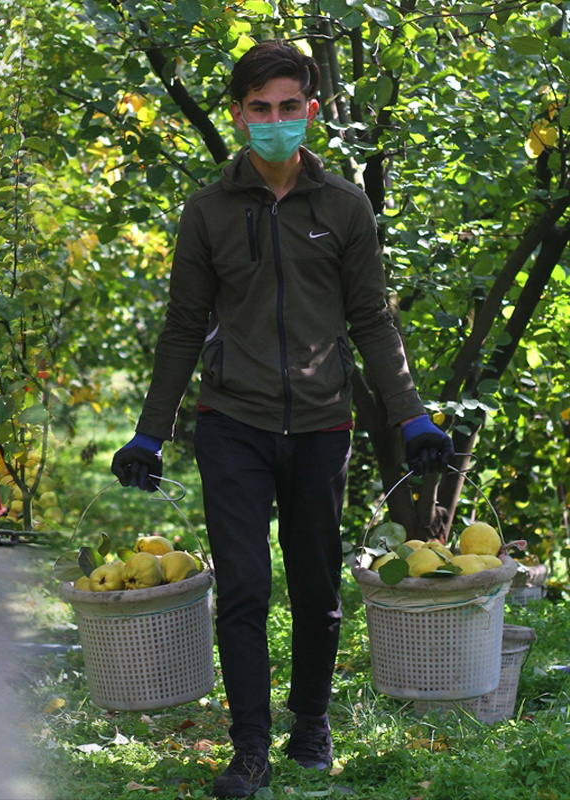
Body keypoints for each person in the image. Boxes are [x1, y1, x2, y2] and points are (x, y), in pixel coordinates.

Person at [110, 40, 452, 798]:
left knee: (316, 586)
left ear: (311, 112)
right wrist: (150, 430)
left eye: (287, 107)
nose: (273, 121)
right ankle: (250, 747)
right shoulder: (206, 212)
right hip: (233, 420)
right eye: (259, 108)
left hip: (324, 422)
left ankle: (311, 724)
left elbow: (371, 321)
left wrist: (413, 417)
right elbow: (181, 326)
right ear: (236, 114)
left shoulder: (344, 207)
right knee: (243, 586)